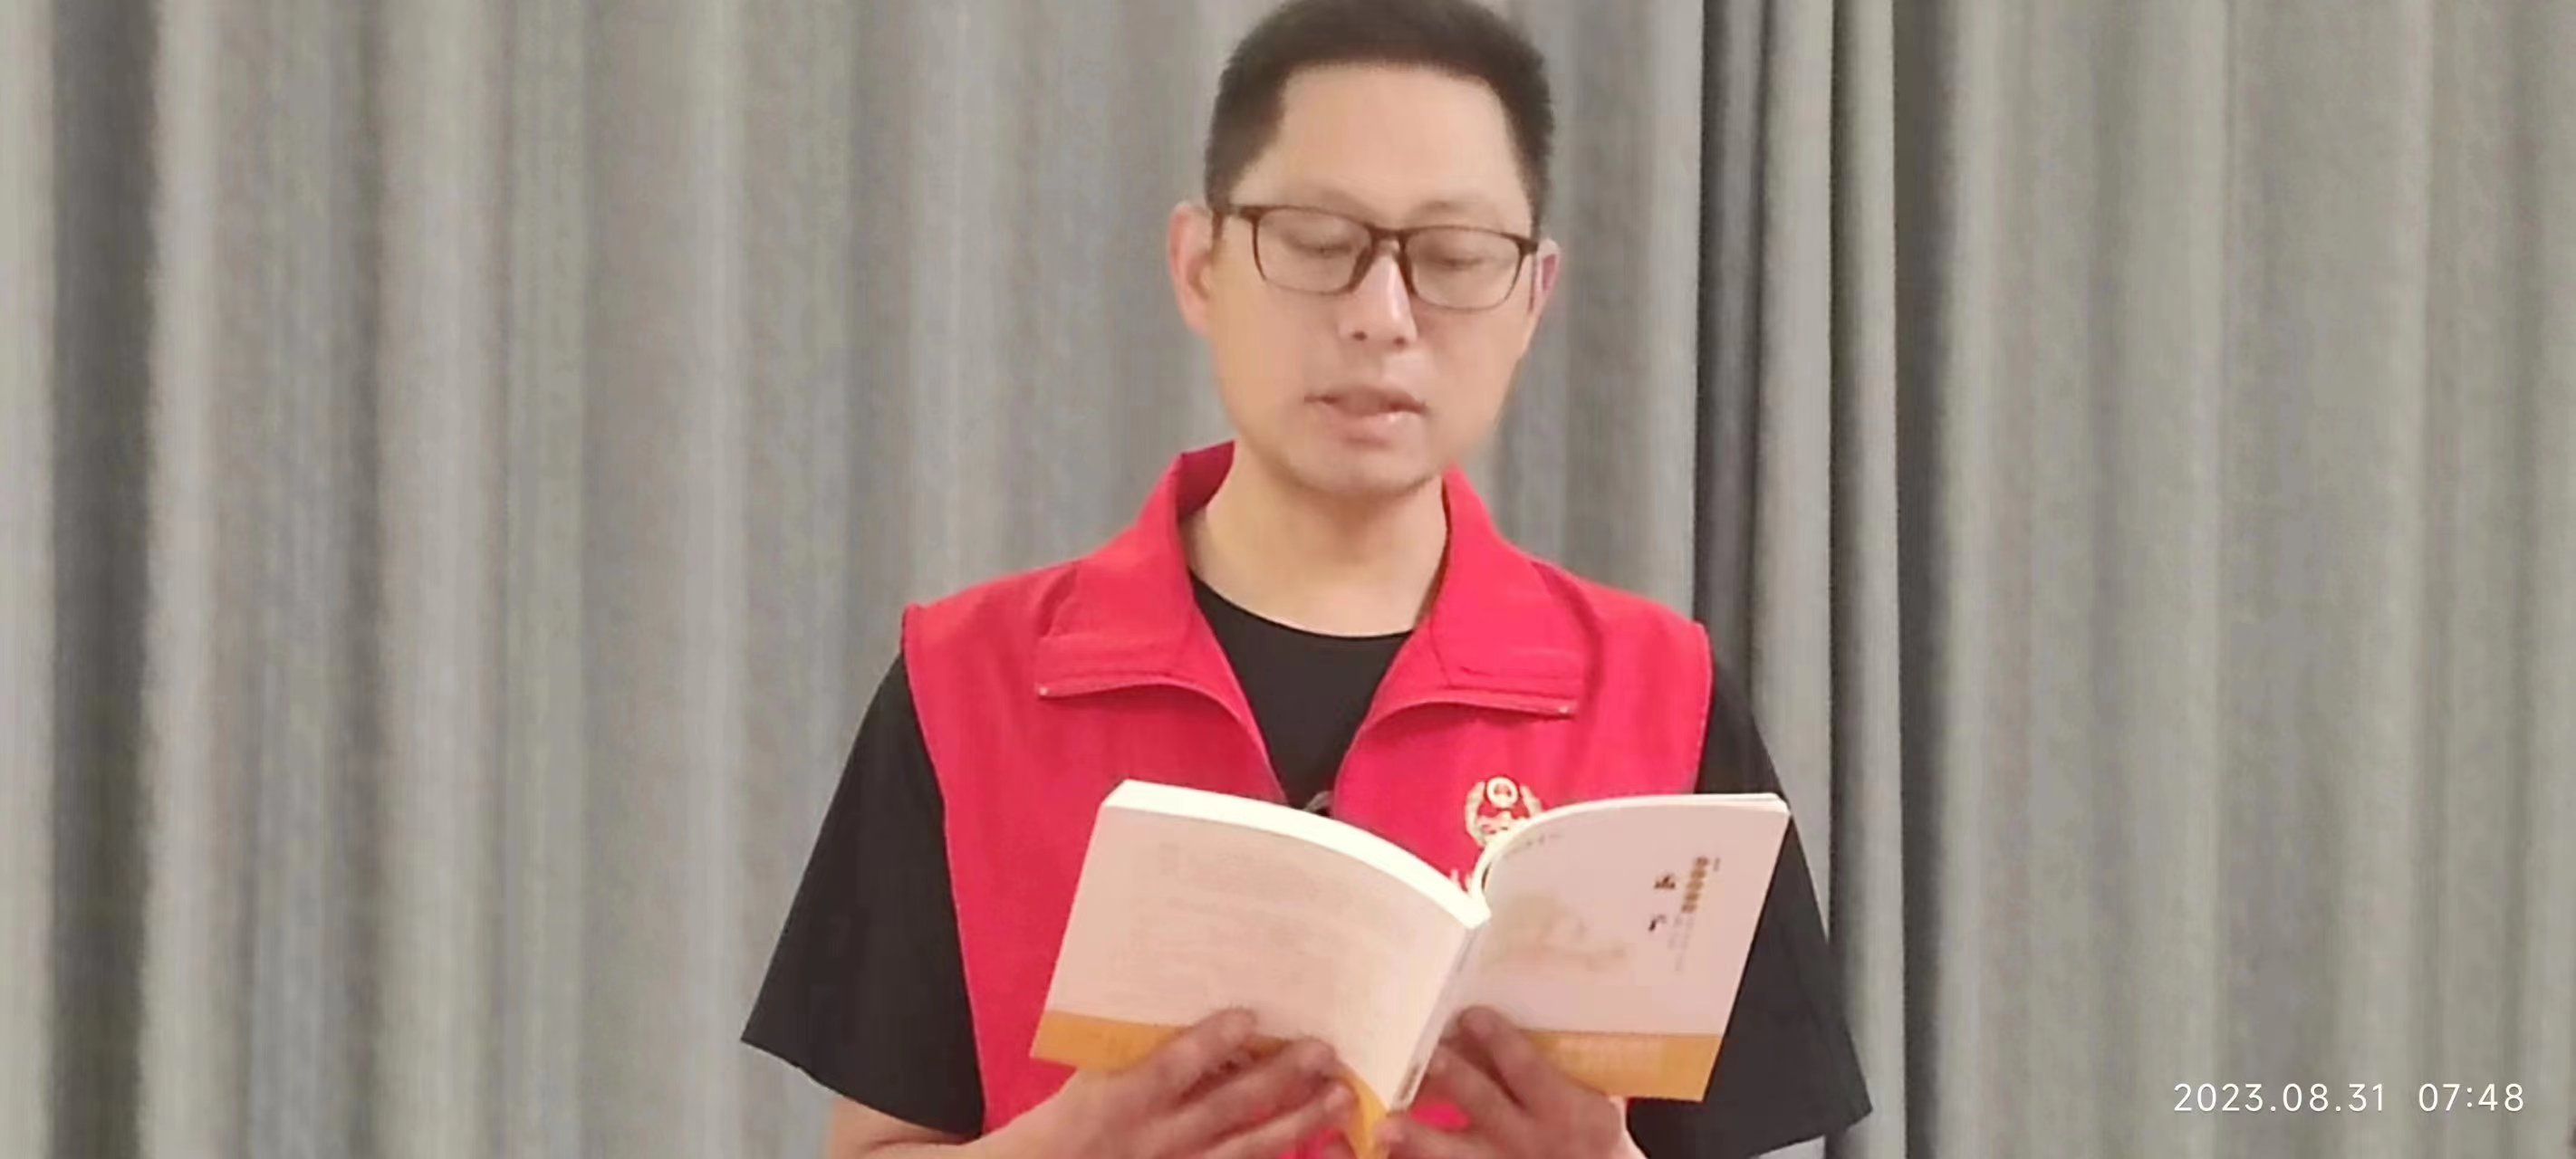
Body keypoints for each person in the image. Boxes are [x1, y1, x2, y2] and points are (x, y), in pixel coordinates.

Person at [744, 0, 1870, 1154]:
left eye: (1453, 258)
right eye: (1319, 243)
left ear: (1534, 295)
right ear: (1199, 266)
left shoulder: (1664, 697)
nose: (1382, 316)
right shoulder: (966, 683)